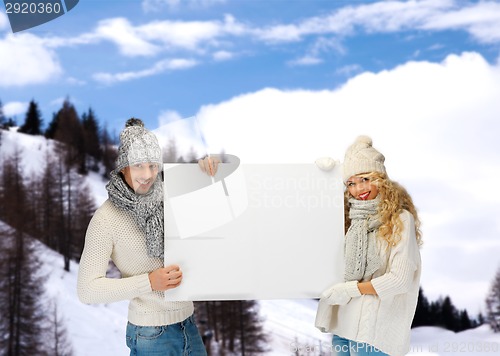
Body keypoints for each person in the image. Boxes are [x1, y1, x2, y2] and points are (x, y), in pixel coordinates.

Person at [77, 118, 218, 355]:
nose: (147, 175)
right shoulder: (106, 218)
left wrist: (208, 173)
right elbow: (87, 290)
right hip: (151, 335)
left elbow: (214, 215)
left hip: (188, 325)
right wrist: (150, 282)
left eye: (153, 166)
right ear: (123, 167)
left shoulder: (171, 195)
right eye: (138, 165)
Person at [315, 135, 422, 356]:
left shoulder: (400, 219)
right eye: (351, 183)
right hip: (343, 326)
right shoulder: (348, 219)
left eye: (365, 179)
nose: (358, 189)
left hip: (376, 333)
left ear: (380, 178)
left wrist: (350, 289)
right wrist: (320, 179)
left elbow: (399, 280)